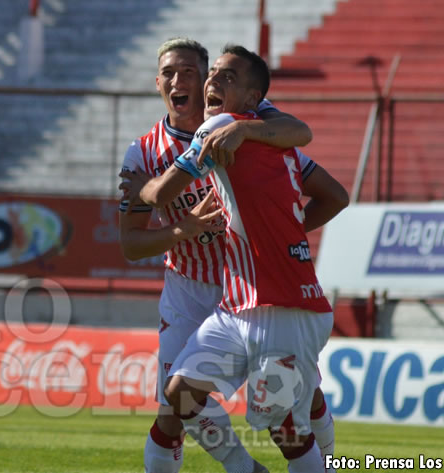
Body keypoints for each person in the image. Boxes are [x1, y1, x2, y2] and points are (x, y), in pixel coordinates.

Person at [118, 38, 339, 473]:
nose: (179, 81)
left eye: (191, 73)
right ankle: (247, 468)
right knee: (175, 404)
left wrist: (274, 234)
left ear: (205, 83)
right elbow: (130, 245)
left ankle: (328, 461)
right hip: (193, 291)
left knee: (295, 411)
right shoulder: (143, 151)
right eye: (168, 73)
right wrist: (186, 228)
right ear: (157, 82)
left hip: (262, 289)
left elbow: (305, 140)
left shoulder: (251, 125)